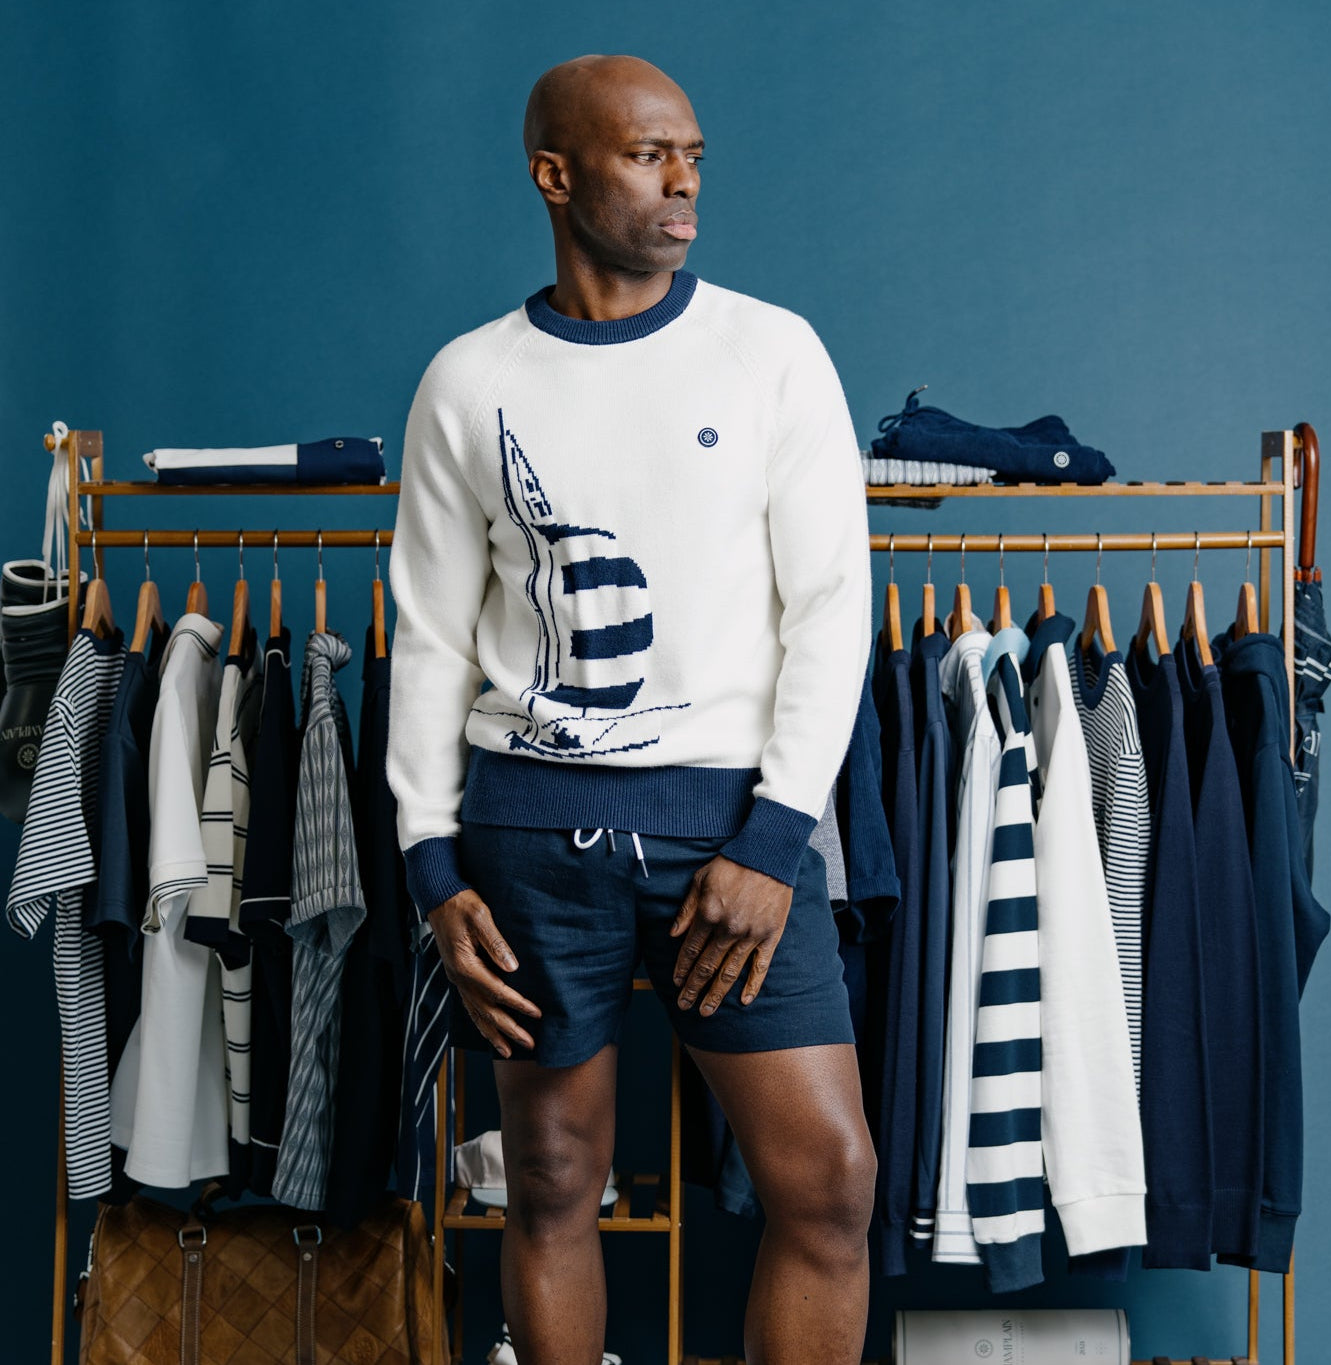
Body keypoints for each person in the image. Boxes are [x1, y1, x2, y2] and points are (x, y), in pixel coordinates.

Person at [387, 52, 875, 1365]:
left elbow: (831, 610)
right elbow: (428, 640)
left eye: (694, 157)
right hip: (530, 840)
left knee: (827, 1180)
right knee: (548, 1179)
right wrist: (433, 867)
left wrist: (773, 846)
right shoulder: (466, 380)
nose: (683, 184)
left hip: (734, 834)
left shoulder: (771, 354)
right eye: (648, 154)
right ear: (555, 173)